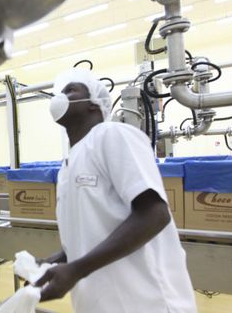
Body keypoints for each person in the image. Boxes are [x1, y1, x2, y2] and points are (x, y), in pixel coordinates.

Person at [33, 68, 196, 312]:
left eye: (70, 90)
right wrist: (57, 260)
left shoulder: (113, 135)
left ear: (94, 104)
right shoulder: (69, 163)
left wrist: (76, 270)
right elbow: (94, 231)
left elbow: (154, 214)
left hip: (147, 302)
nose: (61, 96)